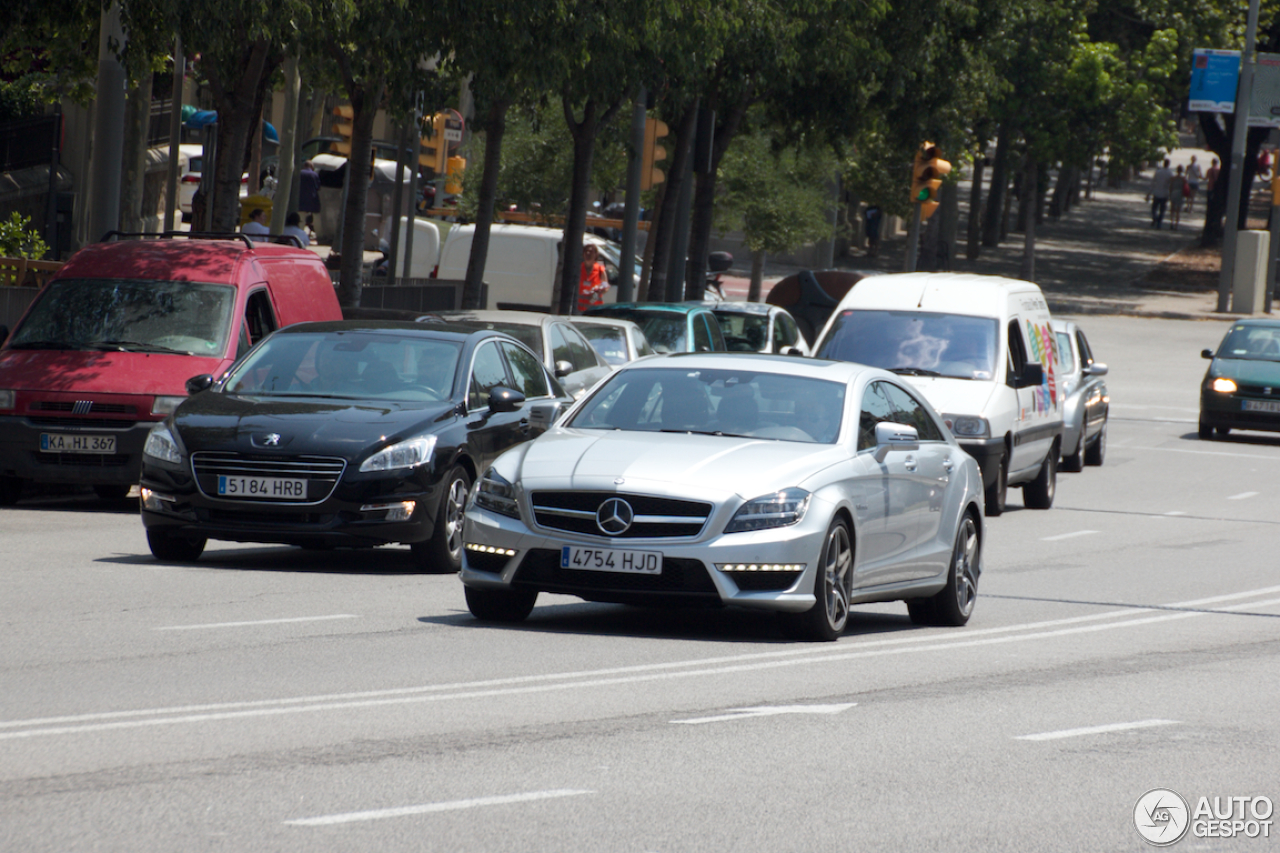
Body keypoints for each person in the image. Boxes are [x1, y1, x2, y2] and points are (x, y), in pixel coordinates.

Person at [577, 243, 609, 313]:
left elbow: (605, 288)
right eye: (586, 251)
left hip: (595, 310)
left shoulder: (600, 270)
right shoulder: (578, 269)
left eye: (591, 252)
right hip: (579, 310)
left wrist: (597, 292)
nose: (588, 253)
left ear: (596, 255)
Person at [298, 160, 321, 234]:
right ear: (311, 167)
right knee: (315, 219)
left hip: (300, 199)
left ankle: (299, 234)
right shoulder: (314, 175)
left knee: (301, 219)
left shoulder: (299, 173)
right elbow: (318, 187)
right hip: (312, 200)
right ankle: (318, 235)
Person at [1150, 158, 1173, 229]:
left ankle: (1154, 217)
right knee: (1162, 210)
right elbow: (1171, 184)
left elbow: (1153, 182)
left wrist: (1150, 192)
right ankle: (1159, 223)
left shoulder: (1158, 172)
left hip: (1157, 192)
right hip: (1165, 193)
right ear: (1168, 164)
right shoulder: (1170, 173)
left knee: (1154, 208)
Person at [1169, 165, 1187, 230]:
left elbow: (1171, 187)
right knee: (1178, 211)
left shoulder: (1173, 178)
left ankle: (1172, 222)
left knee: (1172, 209)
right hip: (1180, 194)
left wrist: (1170, 194)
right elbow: (1185, 187)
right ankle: (1176, 225)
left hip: (1174, 193)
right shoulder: (1184, 179)